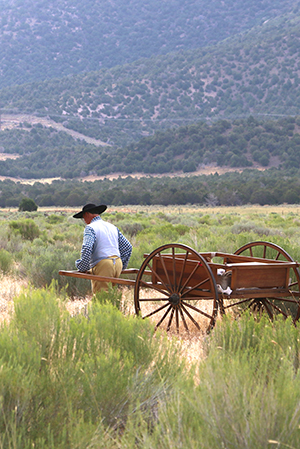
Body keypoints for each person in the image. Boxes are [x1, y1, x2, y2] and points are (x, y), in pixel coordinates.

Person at [73, 203, 132, 294]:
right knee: (111, 294)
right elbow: (128, 247)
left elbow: (87, 247)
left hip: (103, 264)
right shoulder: (112, 226)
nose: (84, 220)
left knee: (101, 296)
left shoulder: (90, 228)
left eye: (83, 218)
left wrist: (83, 267)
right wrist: (122, 266)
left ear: (87, 214)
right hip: (117, 263)